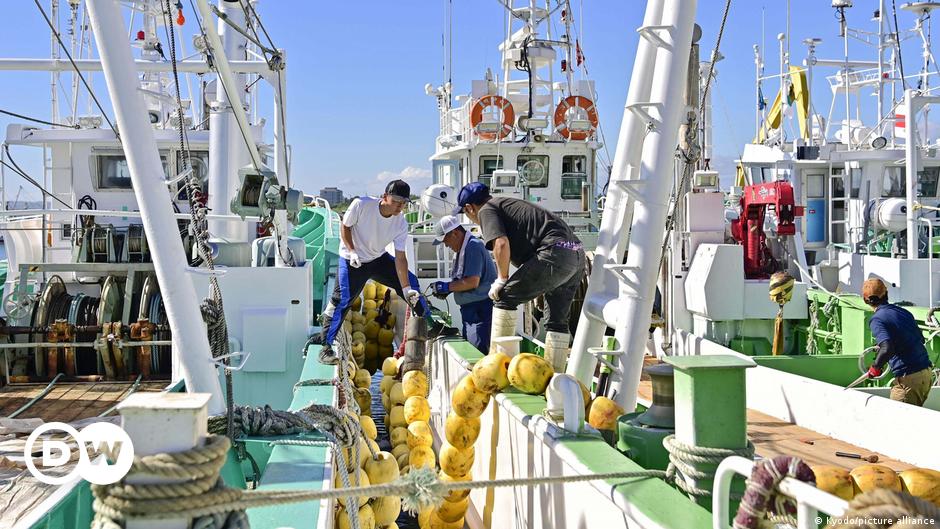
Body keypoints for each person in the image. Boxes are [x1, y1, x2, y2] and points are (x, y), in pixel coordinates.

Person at [454, 182, 585, 371]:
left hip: (555, 252)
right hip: (576, 252)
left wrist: (501, 279)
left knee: (504, 297)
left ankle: (497, 369)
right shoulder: (505, 204)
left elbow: (500, 243)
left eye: (466, 213)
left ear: (469, 208)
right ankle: (553, 375)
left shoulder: (486, 210)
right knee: (556, 321)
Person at [319, 180, 425, 364]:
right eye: (397, 200)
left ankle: (428, 322)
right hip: (352, 260)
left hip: (377, 259)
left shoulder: (400, 222)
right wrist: (352, 251)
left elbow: (400, 257)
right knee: (342, 299)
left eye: (404, 202)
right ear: (385, 197)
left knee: (412, 282)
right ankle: (326, 346)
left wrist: (406, 288)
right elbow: (345, 226)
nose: (400, 206)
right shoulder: (361, 205)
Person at [430, 215, 496, 353]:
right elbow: (464, 279)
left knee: (477, 351)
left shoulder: (472, 246)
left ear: (455, 233)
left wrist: (446, 287)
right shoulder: (464, 248)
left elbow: (472, 281)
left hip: (480, 310)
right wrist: (448, 290)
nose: (446, 245)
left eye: (445, 240)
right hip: (471, 311)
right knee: (473, 348)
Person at [863, 278, 934, 406]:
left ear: (866, 300)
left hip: (908, 379)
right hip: (926, 374)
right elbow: (919, 339)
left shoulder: (877, 319)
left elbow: (887, 348)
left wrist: (875, 367)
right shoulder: (904, 312)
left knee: (897, 423)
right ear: (886, 294)